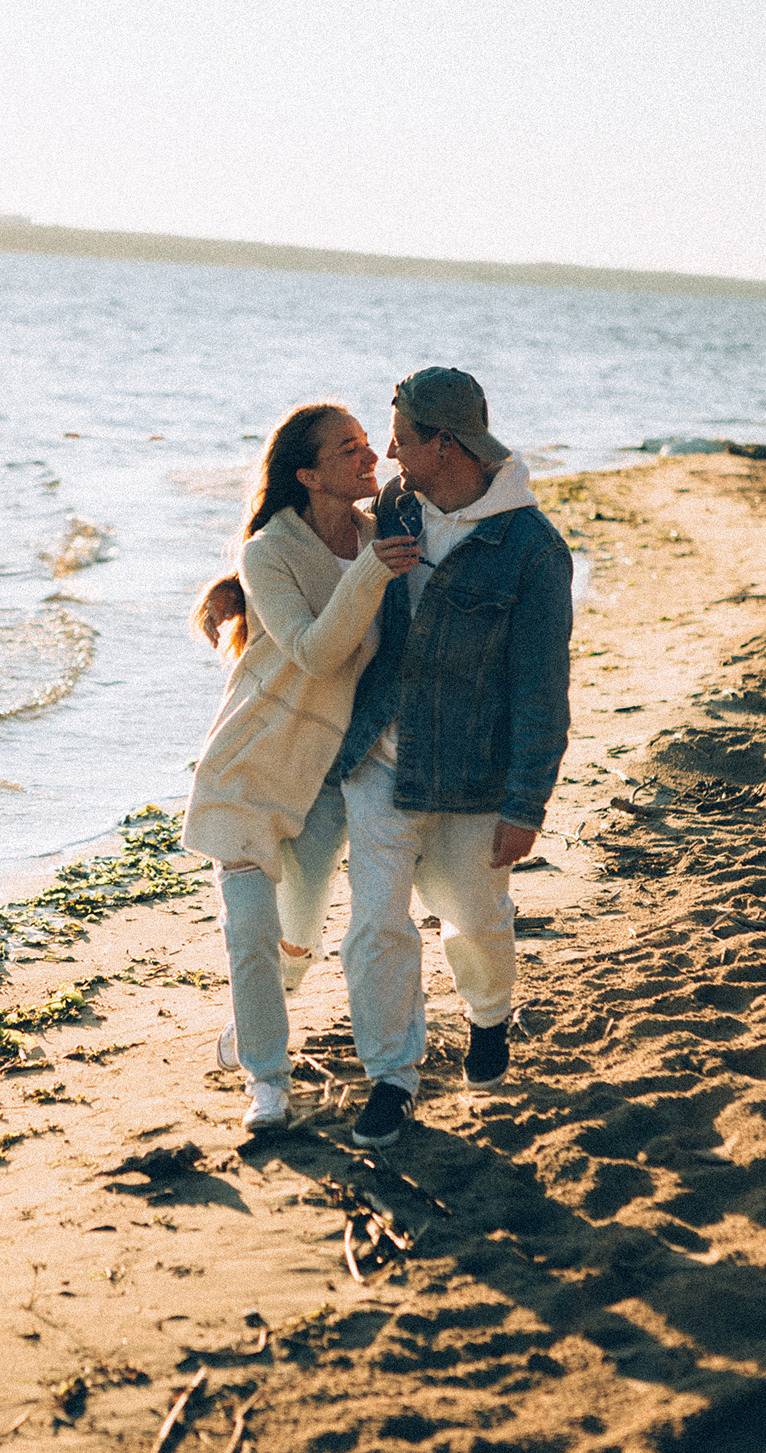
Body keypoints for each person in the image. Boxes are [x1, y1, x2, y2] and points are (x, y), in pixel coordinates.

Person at [336, 367, 573, 1149]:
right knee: (376, 924)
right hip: (379, 760)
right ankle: (392, 1077)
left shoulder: (532, 549)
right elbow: (319, 547)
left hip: (474, 776)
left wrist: (525, 804)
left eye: (400, 436)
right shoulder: (397, 505)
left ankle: (487, 1017)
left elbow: (541, 689)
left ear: (444, 443)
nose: (388, 452)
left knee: (472, 918)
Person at [182, 403, 419, 1131]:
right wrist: (370, 575)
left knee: (294, 946)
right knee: (248, 930)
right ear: (307, 473)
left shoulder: (387, 538)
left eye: (365, 443)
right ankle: (267, 1085)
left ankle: (247, 1030)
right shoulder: (268, 553)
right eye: (347, 449)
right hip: (249, 769)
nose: (367, 455)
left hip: (324, 777)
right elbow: (315, 653)